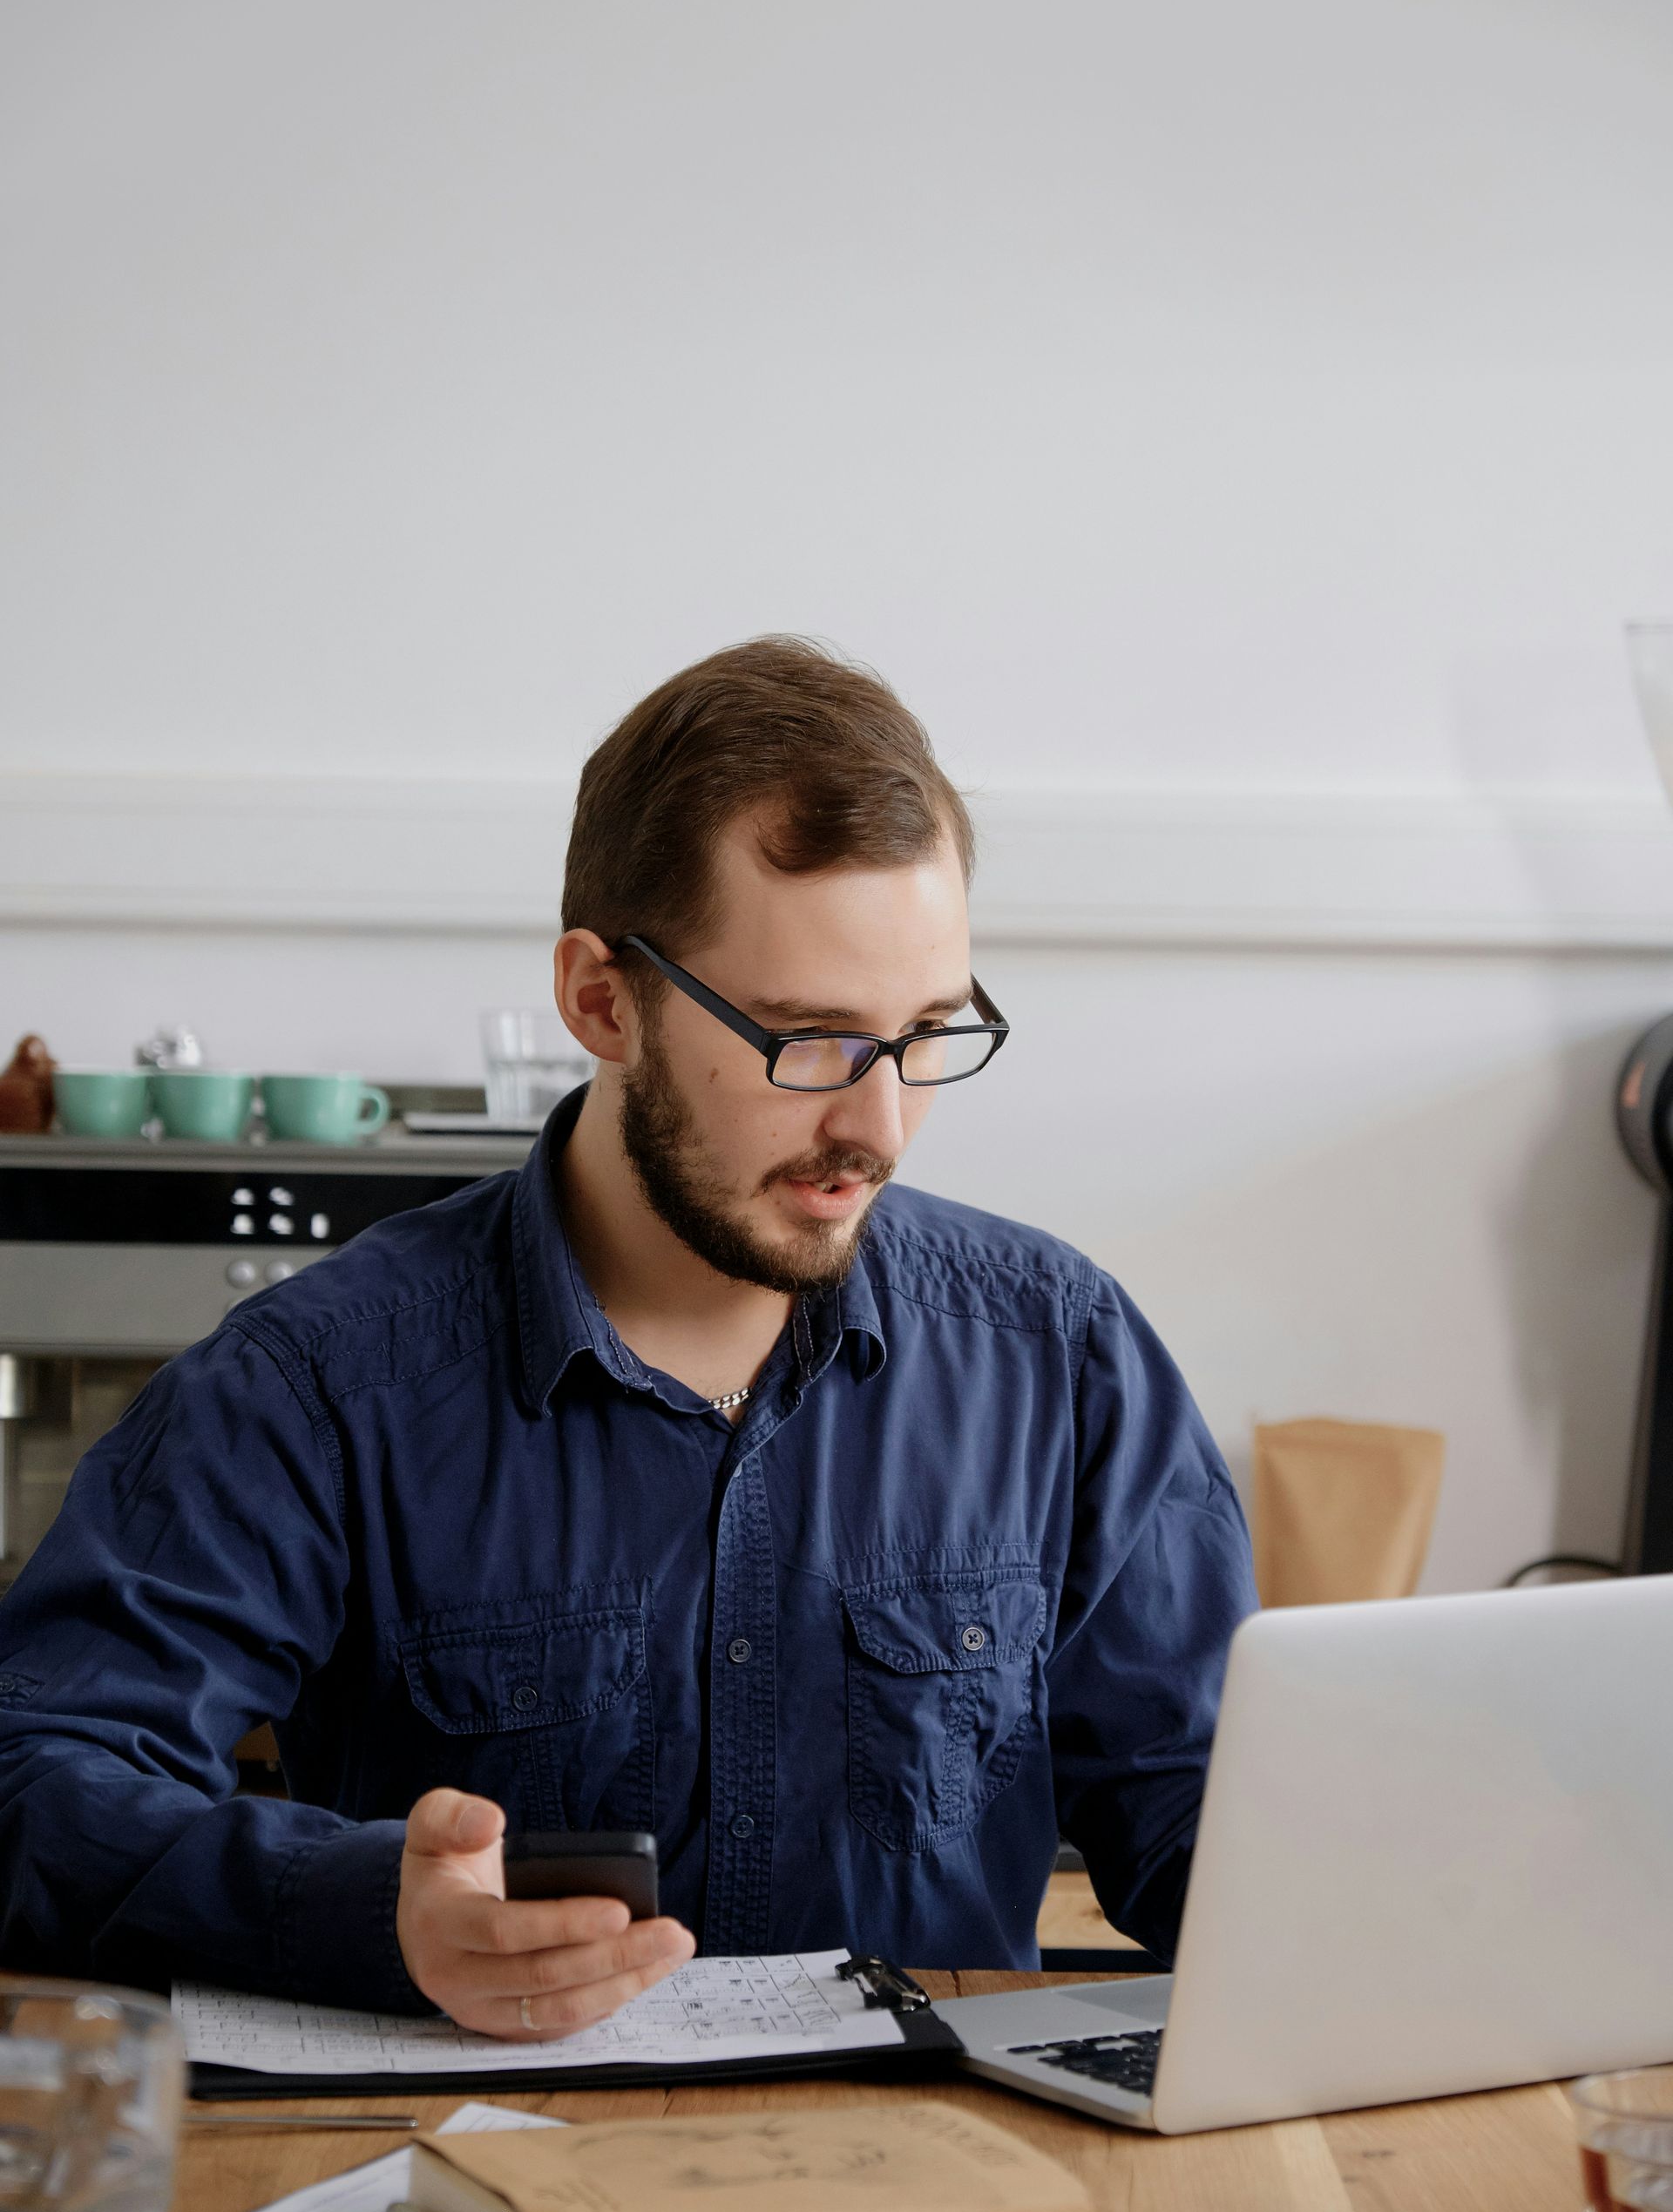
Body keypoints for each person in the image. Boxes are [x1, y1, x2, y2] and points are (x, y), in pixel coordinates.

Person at [0, 639, 1256, 2040]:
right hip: (491, 2173)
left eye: (924, 1036)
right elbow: (35, 1772)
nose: (878, 1128)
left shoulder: (1060, 1354)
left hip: (946, 2183)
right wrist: (372, 1910)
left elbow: (1204, 1806)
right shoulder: (320, 1383)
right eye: (808, 1042)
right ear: (604, 999)